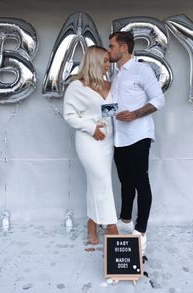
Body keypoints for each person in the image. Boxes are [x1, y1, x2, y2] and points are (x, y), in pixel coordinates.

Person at [108, 31, 165, 255]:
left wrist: (136, 114)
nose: (109, 50)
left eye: (112, 46)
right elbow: (112, 108)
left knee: (141, 182)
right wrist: (94, 114)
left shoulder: (142, 70)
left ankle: (140, 232)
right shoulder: (115, 76)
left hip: (139, 135)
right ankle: (125, 220)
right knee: (125, 181)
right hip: (119, 138)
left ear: (124, 48)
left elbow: (159, 99)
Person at [63, 45, 118, 245]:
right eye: (104, 61)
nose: (107, 64)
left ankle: (92, 223)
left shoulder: (109, 85)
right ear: (94, 62)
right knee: (103, 181)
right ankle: (111, 226)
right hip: (89, 142)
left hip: (107, 142)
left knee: (96, 184)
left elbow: (108, 112)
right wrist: (91, 127)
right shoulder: (77, 87)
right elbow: (69, 115)